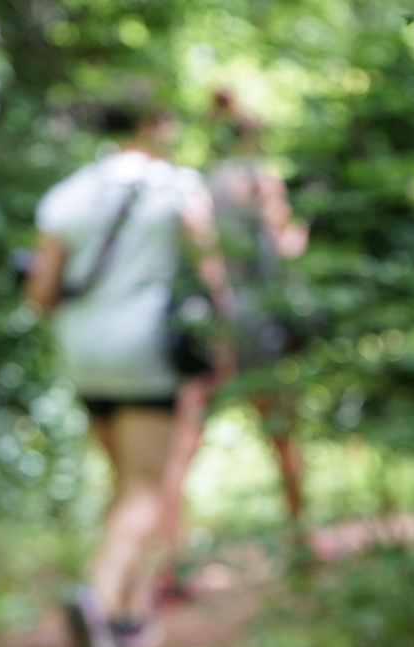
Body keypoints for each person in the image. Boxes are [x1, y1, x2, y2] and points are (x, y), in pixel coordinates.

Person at [25, 100, 233, 647]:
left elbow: (40, 294)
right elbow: (210, 269)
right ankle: (98, 595)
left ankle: (127, 614)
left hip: (83, 352)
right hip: (146, 350)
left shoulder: (66, 196)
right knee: (147, 485)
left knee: (123, 481)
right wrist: (225, 332)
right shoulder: (176, 188)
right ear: (153, 126)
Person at [160, 89, 310, 572]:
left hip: (208, 327)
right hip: (257, 324)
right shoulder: (262, 182)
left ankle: (173, 562)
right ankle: (300, 543)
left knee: (183, 446)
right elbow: (286, 246)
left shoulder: (199, 186)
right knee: (282, 436)